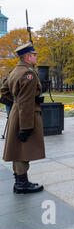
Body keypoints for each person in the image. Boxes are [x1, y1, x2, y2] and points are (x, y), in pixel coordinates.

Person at [0, 42, 45, 194]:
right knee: (23, 150)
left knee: (17, 149)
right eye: (34, 55)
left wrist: (14, 102)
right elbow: (26, 102)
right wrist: (26, 127)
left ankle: (20, 181)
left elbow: (4, 91)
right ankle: (22, 184)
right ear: (27, 57)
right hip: (24, 116)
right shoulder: (28, 74)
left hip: (16, 113)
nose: (36, 57)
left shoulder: (15, 71)